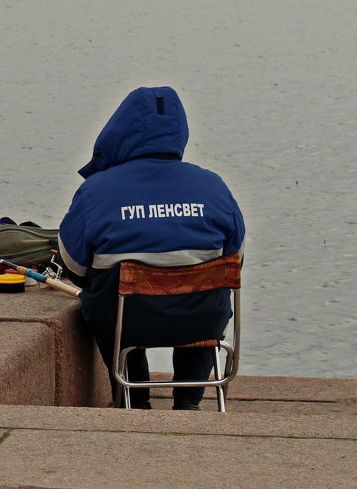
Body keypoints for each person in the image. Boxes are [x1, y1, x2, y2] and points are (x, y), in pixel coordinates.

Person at [58, 86, 245, 410]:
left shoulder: (96, 189)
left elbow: (74, 266)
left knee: (110, 300)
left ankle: (135, 399)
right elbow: (235, 256)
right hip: (202, 321)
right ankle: (189, 400)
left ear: (117, 131)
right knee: (206, 290)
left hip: (127, 322)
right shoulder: (213, 184)